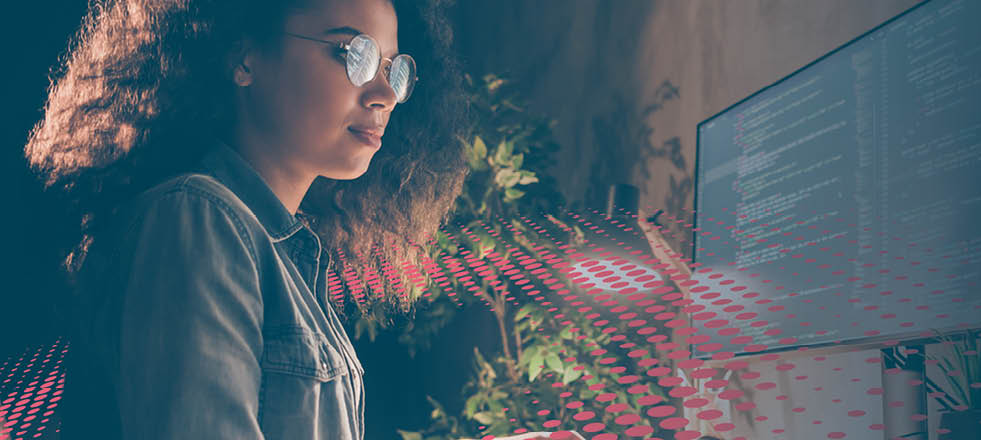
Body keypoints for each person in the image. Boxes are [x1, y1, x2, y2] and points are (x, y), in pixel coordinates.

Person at [23, 0, 580, 439]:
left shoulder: (285, 257)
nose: (385, 93)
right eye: (352, 53)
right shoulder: (196, 218)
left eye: (395, 68)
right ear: (244, 58)